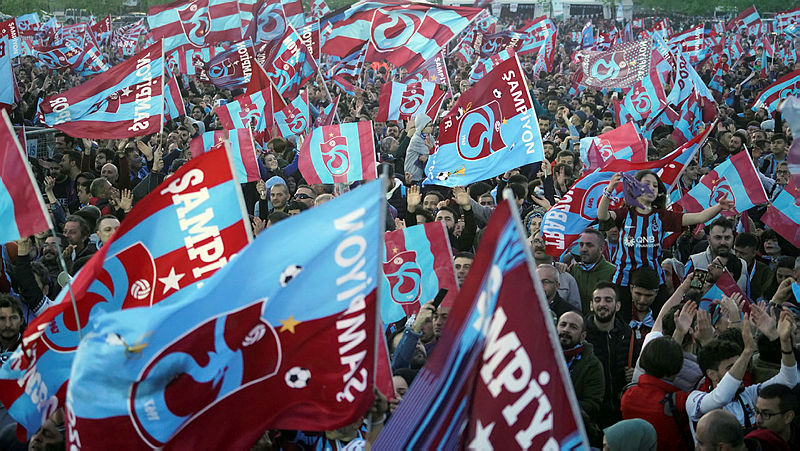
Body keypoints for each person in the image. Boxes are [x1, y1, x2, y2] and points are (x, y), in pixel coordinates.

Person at [598, 170, 734, 316]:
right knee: (621, 320)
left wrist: (719, 207)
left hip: (655, 279)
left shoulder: (662, 216)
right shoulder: (625, 214)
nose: (651, 188)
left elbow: (699, 217)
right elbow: (603, 215)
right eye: (646, 184)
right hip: (623, 279)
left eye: (655, 186)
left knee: (663, 317)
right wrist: (610, 189)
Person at [687, 310, 798, 434]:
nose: (741, 372)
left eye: (739, 364)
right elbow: (720, 398)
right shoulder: (695, 400)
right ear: (712, 374)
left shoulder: (748, 395)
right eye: (731, 368)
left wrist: (785, 342)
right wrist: (747, 352)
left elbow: (789, 380)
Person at [584, 282, 631, 428]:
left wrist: (636, 374)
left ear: (618, 306)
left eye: (608, 300)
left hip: (621, 415)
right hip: (592, 418)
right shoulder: (582, 337)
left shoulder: (629, 335)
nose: (602, 304)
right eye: (597, 300)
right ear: (591, 305)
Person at [556, 311, 605, 443]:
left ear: (583, 336)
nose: (566, 330)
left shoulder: (592, 365)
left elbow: (592, 404)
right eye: (563, 324)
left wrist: (561, 409)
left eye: (573, 327)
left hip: (573, 434)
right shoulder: (542, 355)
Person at [688, 218, 748, 291]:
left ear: (733, 239)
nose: (723, 242)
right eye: (718, 238)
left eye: (727, 238)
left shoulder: (742, 264)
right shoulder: (696, 262)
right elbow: (688, 296)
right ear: (709, 239)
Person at [569, 228, 616, 313]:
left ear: (601, 249)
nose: (584, 249)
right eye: (581, 245)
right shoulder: (573, 270)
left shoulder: (613, 272)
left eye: (589, 245)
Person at [745, 383, 798, 449]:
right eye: (757, 411)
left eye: (766, 414)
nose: (758, 420)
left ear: (788, 417)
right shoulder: (745, 441)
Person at [734, 232, 775, 302]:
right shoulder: (727, 265)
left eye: (742, 253)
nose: (737, 256)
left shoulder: (765, 271)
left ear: (754, 253)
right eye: (735, 251)